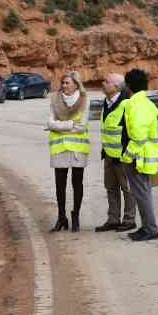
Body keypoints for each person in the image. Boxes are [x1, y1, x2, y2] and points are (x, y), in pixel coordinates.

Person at [45, 71, 90, 232]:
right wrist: (71, 125)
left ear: (76, 85)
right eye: (62, 83)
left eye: (67, 83)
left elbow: (82, 126)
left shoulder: (84, 100)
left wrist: (60, 126)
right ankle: (61, 217)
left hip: (78, 148)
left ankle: (75, 216)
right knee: (60, 185)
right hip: (59, 148)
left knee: (77, 183)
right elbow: (50, 122)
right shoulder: (55, 99)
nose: (64, 86)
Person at [121, 68, 158, 241]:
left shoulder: (136, 106)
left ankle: (150, 229)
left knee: (142, 194)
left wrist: (127, 156)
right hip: (144, 156)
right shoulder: (146, 103)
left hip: (139, 158)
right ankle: (147, 227)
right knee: (143, 193)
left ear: (129, 86)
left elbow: (138, 137)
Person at [94, 72, 136, 233]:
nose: (103, 83)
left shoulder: (126, 104)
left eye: (106, 81)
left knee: (127, 189)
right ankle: (113, 219)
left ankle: (129, 219)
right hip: (109, 155)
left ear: (117, 86)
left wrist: (127, 153)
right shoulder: (107, 102)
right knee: (111, 188)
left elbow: (130, 131)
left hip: (123, 156)